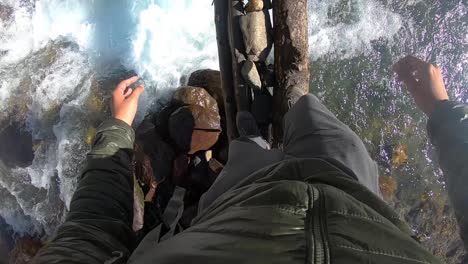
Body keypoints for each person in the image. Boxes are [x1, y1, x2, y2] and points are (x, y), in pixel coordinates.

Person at [33, 56, 467, 263]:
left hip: (233, 217)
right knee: (314, 117)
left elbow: (87, 234)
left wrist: (118, 128)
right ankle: (283, 112)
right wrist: (445, 114)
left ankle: (256, 139)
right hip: (354, 202)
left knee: (245, 157)